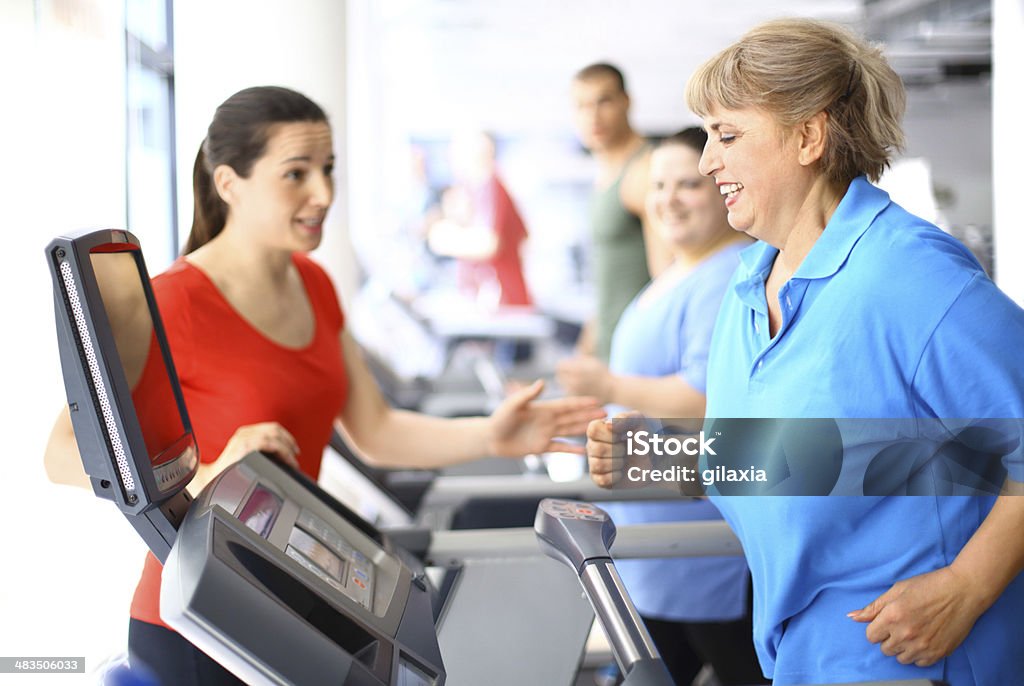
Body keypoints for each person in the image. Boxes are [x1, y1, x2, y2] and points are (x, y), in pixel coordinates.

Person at [43, 86, 605, 686]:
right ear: (230, 183)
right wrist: (207, 473)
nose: (324, 193)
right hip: (200, 618)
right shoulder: (171, 301)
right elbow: (61, 455)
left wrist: (492, 437)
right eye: (296, 174)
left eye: (328, 169)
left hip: (297, 604)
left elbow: (377, 432)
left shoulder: (313, 283)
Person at [586, 19, 1024, 686]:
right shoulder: (748, 286)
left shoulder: (908, 277)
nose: (706, 162)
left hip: (914, 661)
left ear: (809, 137)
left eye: (727, 136)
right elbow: (797, 455)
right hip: (802, 659)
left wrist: (967, 586)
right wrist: (651, 457)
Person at [557, 128, 763, 685]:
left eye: (688, 184)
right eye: (660, 184)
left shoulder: (726, 277)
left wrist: (608, 380)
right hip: (661, 545)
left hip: (702, 545)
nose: (669, 198)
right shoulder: (681, 272)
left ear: (723, 188)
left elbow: (701, 398)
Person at [570, 63, 673, 362]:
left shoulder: (645, 170)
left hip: (639, 356)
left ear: (626, 101)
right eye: (581, 106)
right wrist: (587, 350)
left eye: (604, 101)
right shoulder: (604, 175)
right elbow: (608, 283)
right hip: (608, 352)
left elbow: (668, 278)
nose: (593, 117)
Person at [427, 130, 532, 309]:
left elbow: (488, 243)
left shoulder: (490, 185)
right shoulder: (475, 190)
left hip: (503, 305)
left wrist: (445, 238)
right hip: (490, 303)